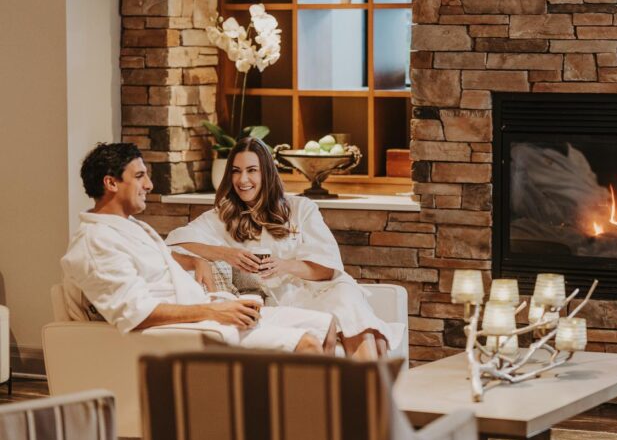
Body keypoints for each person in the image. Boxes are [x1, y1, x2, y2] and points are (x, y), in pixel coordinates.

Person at [61, 143, 336, 354]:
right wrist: (215, 312)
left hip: (206, 311)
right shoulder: (95, 243)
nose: (149, 185)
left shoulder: (127, 227)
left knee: (326, 326)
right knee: (308, 343)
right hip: (190, 327)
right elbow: (135, 313)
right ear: (111, 183)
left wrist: (194, 262)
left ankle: (325, 425)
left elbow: (159, 258)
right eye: (140, 176)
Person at [165, 137, 404, 360]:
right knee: (372, 336)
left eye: (251, 171)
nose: (242, 180)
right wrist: (224, 254)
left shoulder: (301, 208)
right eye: (236, 171)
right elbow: (174, 243)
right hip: (276, 304)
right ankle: (369, 396)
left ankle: (370, 398)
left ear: (267, 173)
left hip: (316, 292)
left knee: (348, 300)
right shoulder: (220, 218)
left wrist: (283, 266)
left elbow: (327, 270)